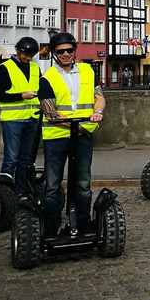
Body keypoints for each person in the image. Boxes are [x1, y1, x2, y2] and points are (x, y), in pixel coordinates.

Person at [38, 31, 105, 236]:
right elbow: (50, 113)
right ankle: (50, 229)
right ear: (54, 53)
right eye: (61, 51)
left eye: (69, 50)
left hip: (82, 136)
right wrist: (80, 127)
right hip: (57, 137)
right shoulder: (46, 78)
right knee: (52, 185)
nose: (66, 54)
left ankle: (82, 225)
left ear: (74, 50)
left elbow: (99, 97)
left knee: (83, 184)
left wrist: (98, 112)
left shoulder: (87, 70)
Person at [0, 36, 42, 197]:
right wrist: (22, 95)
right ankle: (3, 193)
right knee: (11, 159)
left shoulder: (35, 68)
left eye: (31, 55)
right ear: (17, 51)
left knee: (25, 160)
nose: (28, 58)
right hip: (12, 120)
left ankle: (21, 192)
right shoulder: (4, 68)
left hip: (32, 119)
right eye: (25, 54)